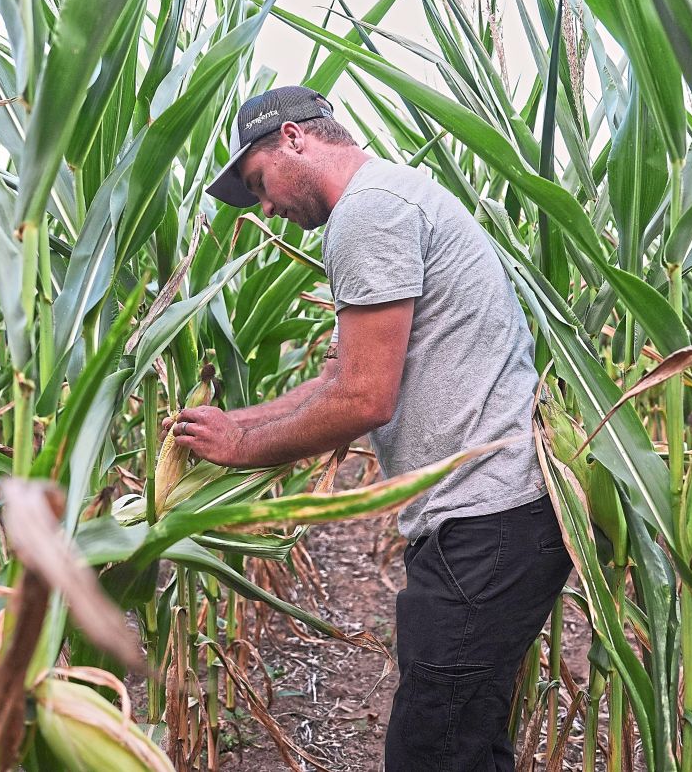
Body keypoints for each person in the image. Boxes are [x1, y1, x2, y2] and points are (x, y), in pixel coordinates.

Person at [171, 84, 573, 772]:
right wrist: (233, 420)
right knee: (465, 742)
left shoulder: (369, 214)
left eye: (259, 183)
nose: (265, 207)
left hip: (484, 521)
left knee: (433, 753)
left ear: (295, 138)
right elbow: (338, 376)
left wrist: (240, 448)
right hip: (495, 520)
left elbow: (363, 399)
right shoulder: (390, 198)